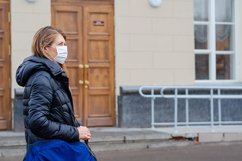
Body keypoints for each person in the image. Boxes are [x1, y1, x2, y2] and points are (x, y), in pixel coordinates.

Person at [16, 26, 96, 161]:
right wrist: (75, 132)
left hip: (54, 149)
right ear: (45, 48)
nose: (64, 49)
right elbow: (38, 121)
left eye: (65, 44)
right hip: (50, 152)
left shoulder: (51, 74)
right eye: (60, 44)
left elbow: (58, 113)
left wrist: (77, 126)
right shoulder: (42, 77)